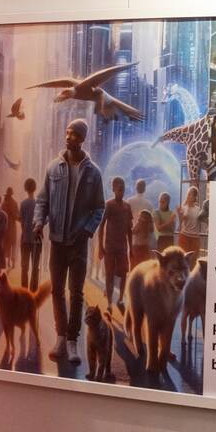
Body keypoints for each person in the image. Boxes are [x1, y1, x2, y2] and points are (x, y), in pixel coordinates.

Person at [34, 118, 105, 365]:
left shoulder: (93, 173)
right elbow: (42, 201)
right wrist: (38, 222)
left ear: (82, 138)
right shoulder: (53, 168)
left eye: (74, 134)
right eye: (67, 132)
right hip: (57, 242)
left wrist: (87, 230)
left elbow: (99, 208)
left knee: (76, 293)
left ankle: (73, 341)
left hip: (78, 243)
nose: (68, 137)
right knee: (57, 291)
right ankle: (61, 338)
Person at [99, 177, 132, 311]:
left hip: (122, 247)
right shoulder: (109, 205)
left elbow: (129, 229)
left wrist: (131, 248)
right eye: (119, 190)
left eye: (123, 190)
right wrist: (100, 246)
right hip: (110, 247)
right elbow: (101, 225)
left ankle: (120, 299)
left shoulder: (127, 207)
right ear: (113, 189)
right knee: (109, 274)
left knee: (123, 274)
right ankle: (109, 303)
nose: (121, 192)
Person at [19, 177, 41, 290]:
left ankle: (24, 290)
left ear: (25, 188)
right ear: (35, 188)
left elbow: (21, 221)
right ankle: (33, 291)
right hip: (36, 239)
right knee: (35, 267)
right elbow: (44, 220)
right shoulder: (39, 204)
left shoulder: (23, 204)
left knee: (24, 267)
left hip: (25, 238)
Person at [177, 186, 202, 254]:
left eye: (190, 194)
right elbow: (181, 221)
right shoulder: (184, 208)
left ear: (194, 197)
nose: (188, 196)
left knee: (194, 258)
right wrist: (179, 214)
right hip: (184, 236)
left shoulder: (198, 209)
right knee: (183, 256)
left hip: (195, 238)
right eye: (188, 194)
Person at [1, 186, 20, 269]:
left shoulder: (3, 203)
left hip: (5, 228)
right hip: (12, 228)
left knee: (6, 245)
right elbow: (17, 216)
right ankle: (12, 262)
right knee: (13, 245)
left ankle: (7, 262)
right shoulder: (14, 203)